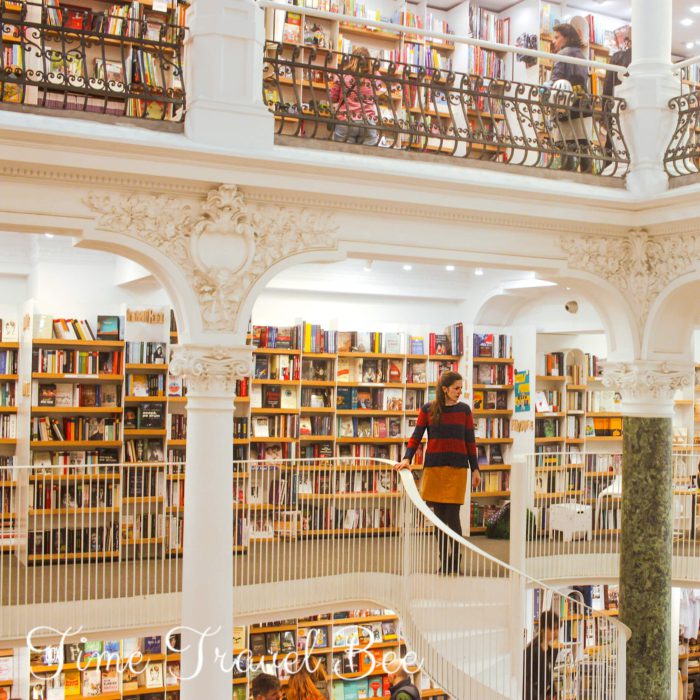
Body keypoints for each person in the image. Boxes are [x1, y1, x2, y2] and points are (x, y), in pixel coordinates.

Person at [396, 371, 481, 575]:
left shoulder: (465, 411)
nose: (460, 392)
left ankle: (455, 560)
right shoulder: (428, 409)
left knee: (453, 517)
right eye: (456, 388)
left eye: (461, 388)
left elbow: (470, 441)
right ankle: (445, 561)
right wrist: (407, 458)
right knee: (438, 519)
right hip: (434, 468)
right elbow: (416, 436)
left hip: (458, 469)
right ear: (445, 389)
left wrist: (476, 468)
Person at [548, 23, 592, 173]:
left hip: (565, 104)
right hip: (582, 105)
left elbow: (556, 79)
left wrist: (546, 89)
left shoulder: (562, 54)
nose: (554, 41)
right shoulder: (582, 55)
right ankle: (588, 179)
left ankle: (566, 177)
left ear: (566, 38)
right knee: (583, 146)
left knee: (566, 148)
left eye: (557, 37)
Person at [331, 46, 380, 147]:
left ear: (352, 59)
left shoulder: (342, 75)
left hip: (346, 120)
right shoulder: (375, 77)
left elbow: (333, 97)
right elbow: (377, 92)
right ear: (368, 61)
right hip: (368, 121)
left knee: (343, 158)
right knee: (367, 160)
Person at [523, 610, 560, 700]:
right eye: (552, 629)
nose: (556, 633)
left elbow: (549, 676)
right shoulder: (531, 651)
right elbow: (526, 682)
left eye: (557, 629)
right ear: (543, 628)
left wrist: (553, 693)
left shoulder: (551, 651)